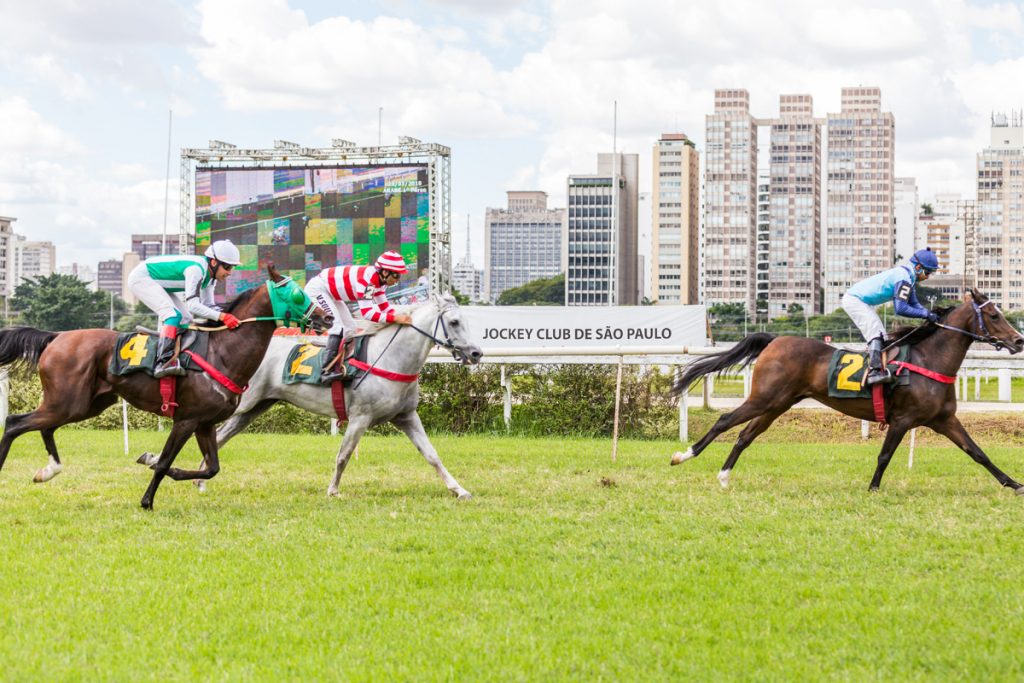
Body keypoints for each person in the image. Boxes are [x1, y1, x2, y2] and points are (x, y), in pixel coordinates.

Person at [127, 239, 243, 378]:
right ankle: (163, 362)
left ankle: (179, 355)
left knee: (186, 318)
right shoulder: (196, 269)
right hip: (141, 278)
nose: (230, 272)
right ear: (214, 262)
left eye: (232, 267)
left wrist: (230, 314)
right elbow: (193, 306)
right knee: (173, 316)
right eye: (228, 267)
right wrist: (223, 317)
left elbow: (209, 305)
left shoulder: (211, 277)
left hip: (158, 282)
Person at [304, 250, 414, 383]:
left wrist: (401, 318)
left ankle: (343, 363)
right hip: (318, 290)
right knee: (337, 327)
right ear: (385, 272)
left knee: (350, 328)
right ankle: (326, 370)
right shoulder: (368, 282)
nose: (398, 279)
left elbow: (385, 308)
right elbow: (367, 313)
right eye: (396, 275)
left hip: (332, 295)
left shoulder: (380, 282)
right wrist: (395, 318)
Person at [842, 247, 939, 386]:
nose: (928, 276)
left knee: (883, 336)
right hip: (854, 300)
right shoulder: (903, 277)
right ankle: (874, 372)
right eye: (928, 272)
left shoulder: (908, 277)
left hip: (861, 301)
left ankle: (878, 368)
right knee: (876, 333)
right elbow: (901, 308)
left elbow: (915, 304)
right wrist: (926, 314)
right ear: (918, 267)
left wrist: (931, 314)